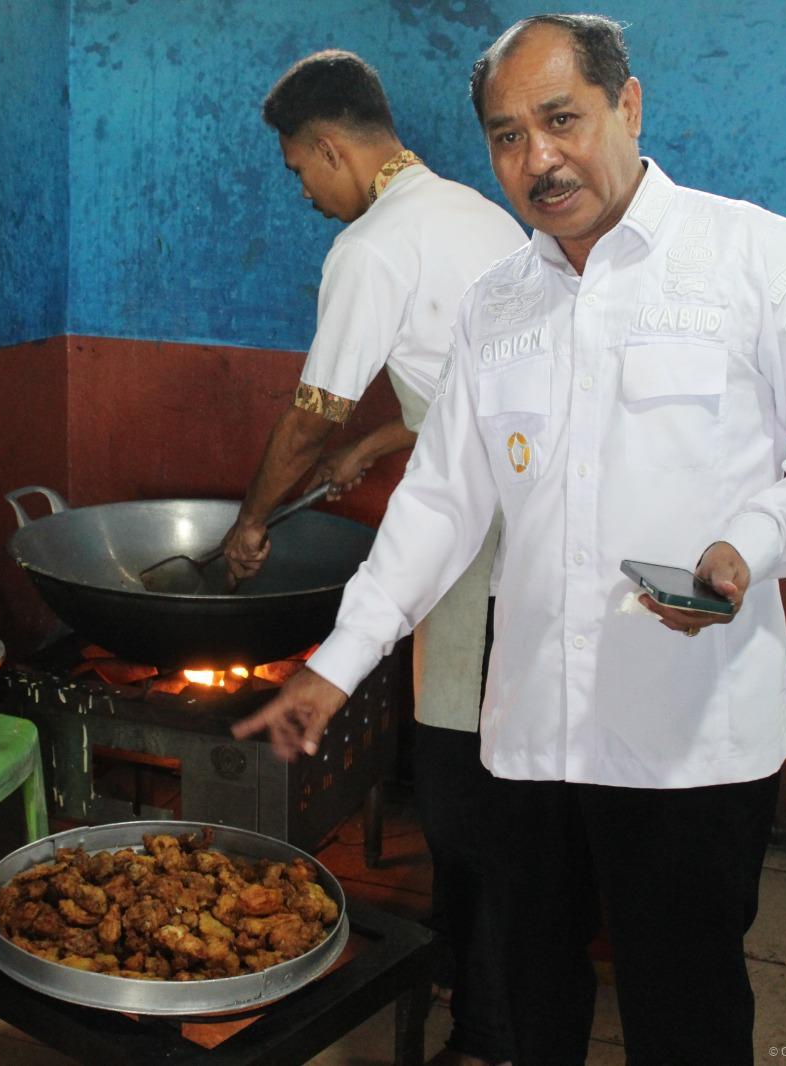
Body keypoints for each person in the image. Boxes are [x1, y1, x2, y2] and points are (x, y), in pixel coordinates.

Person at [234, 15, 786, 1065]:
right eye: (505, 135)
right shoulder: (499, 305)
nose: (536, 158)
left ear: (627, 108)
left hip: (690, 738)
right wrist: (341, 659)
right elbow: (443, 502)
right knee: (533, 1002)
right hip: (533, 736)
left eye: (560, 119)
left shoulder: (750, 255)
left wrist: (755, 538)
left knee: (684, 1014)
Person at [220, 50, 526, 1066]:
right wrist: (388, 440)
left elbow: (309, 418)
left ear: (331, 146)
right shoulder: (474, 215)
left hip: (483, 536)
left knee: (460, 777)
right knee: (495, 760)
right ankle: (461, 960)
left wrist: (249, 523)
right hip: (530, 510)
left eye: (298, 169)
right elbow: (474, 380)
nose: (302, 188)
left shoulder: (371, 245)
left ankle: (487, 1024)